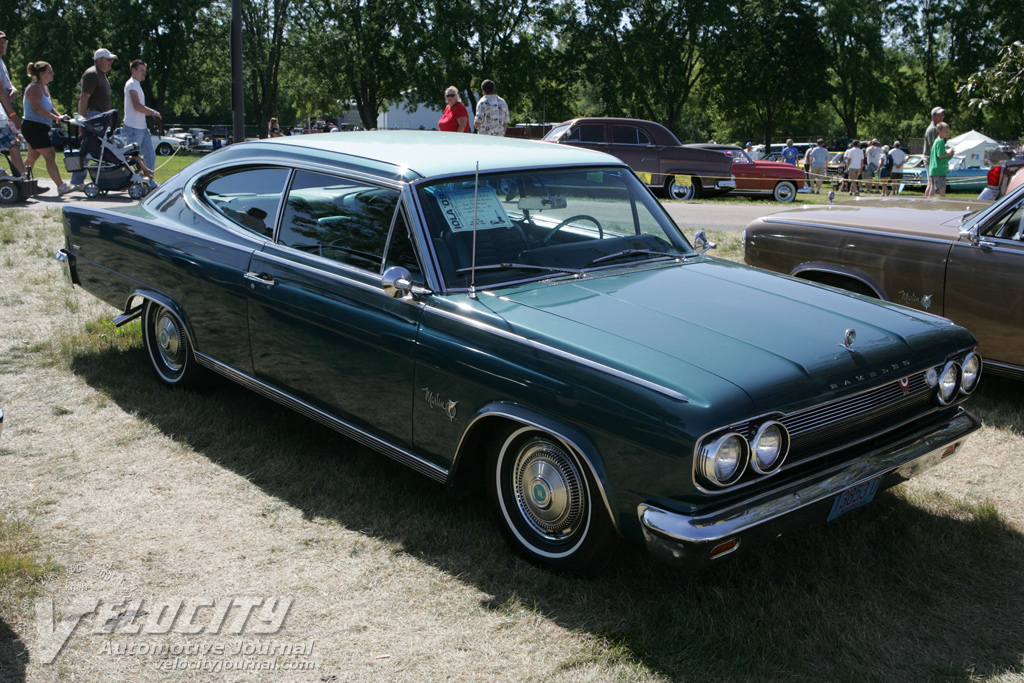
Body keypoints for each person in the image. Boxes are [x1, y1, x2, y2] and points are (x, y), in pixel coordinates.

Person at [22, 61, 73, 195]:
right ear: (41, 74)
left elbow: (49, 107)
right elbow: (37, 108)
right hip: (33, 127)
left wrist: (60, 117)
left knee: (32, 156)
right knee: (50, 154)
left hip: (40, 127)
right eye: (50, 71)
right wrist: (56, 119)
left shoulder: (44, 88)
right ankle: (61, 186)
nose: (52, 74)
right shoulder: (34, 88)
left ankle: (20, 181)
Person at [70, 48, 117, 191]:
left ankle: (103, 178)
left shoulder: (101, 75)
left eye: (111, 60)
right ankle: (77, 181)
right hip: (93, 116)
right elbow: (84, 97)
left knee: (98, 149)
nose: (111, 62)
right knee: (89, 149)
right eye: (108, 59)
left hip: (101, 116)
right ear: (99, 60)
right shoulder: (92, 74)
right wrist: (82, 120)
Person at [123, 59, 160, 175]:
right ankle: (126, 179)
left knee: (150, 154)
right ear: (133, 70)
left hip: (142, 127)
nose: (144, 73)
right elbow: (137, 106)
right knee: (131, 157)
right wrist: (153, 112)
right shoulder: (131, 84)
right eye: (141, 70)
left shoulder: (137, 85)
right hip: (133, 127)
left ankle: (148, 180)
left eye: (145, 71)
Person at [0, 30, 25, 177]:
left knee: (13, 143)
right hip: (2, 112)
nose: (2, 45)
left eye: (4, 43)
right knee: (12, 143)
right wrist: (13, 115)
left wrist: (13, 89)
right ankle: (20, 178)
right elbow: (1, 92)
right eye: (0, 43)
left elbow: (6, 86)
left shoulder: (1, 63)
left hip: (3, 111)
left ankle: (21, 178)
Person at [928, 122, 955, 199]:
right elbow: (940, 155)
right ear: (939, 131)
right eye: (945, 131)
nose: (947, 133)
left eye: (947, 131)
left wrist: (950, 155)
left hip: (934, 168)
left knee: (933, 188)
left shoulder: (936, 141)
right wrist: (949, 153)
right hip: (940, 169)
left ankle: (928, 203)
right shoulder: (940, 141)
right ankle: (942, 203)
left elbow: (942, 156)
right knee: (942, 188)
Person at [923, 106, 943, 197]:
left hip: (933, 160)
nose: (941, 117)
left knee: (930, 183)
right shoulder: (933, 129)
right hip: (931, 160)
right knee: (932, 185)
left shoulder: (937, 128)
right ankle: (928, 205)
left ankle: (926, 203)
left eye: (942, 115)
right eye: (939, 115)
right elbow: (933, 147)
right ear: (933, 116)